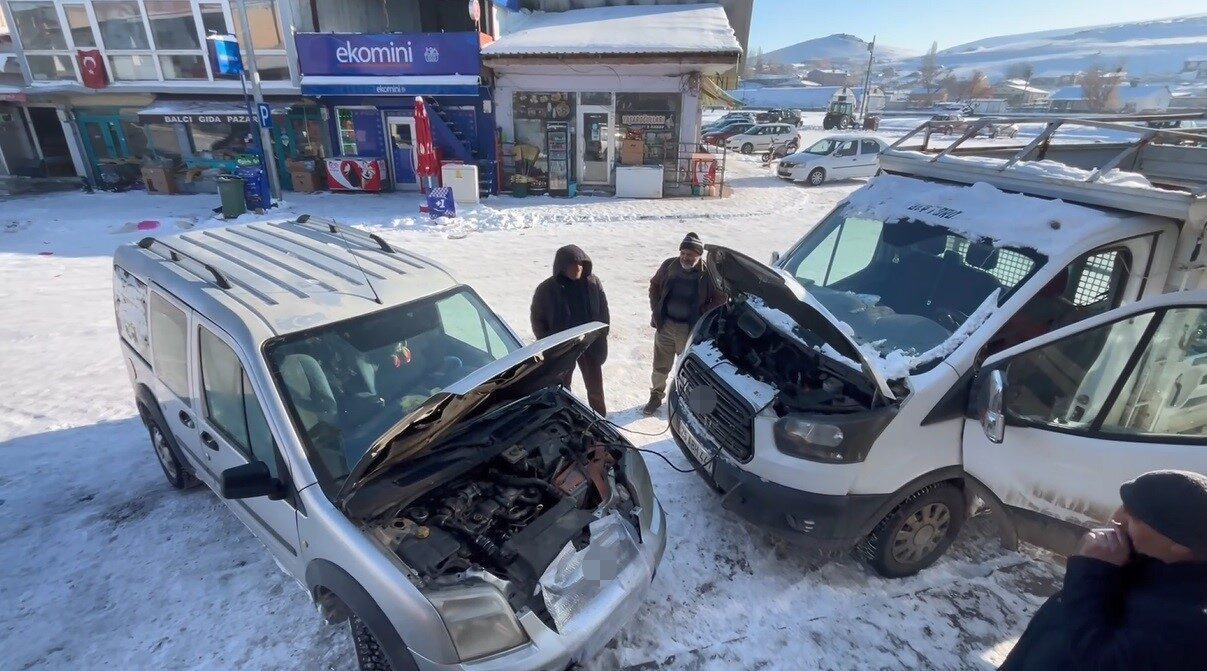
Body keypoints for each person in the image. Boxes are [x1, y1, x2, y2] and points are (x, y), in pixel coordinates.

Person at [999, 469, 1207, 671]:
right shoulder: (1148, 558)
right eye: (1124, 505)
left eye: (1135, 518)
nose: (1117, 519)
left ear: (1181, 546)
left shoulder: (1189, 623)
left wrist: (1090, 574)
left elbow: (1104, 661)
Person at [643, 232, 726, 416]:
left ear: (699, 255)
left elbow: (721, 297)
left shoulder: (707, 274)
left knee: (687, 369)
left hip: (689, 331)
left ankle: (685, 400)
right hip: (665, 326)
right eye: (683, 253)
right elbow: (654, 285)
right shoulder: (669, 266)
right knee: (660, 366)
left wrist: (703, 313)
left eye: (690, 254)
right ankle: (656, 396)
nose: (685, 257)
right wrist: (656, 309)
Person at [530, 245, 609, 415]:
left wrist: (602, 334)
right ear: (562, 267)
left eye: (581, 264)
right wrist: (548, 344)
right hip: (563, 346)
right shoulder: (546, 289)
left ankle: (600, 419)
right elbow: (537, 319)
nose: (578, 268)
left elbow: (603, 310)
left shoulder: (593, 283)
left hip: (589, 342)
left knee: (595, 388)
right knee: (562, 386)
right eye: (573, 265)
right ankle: (565, 415)